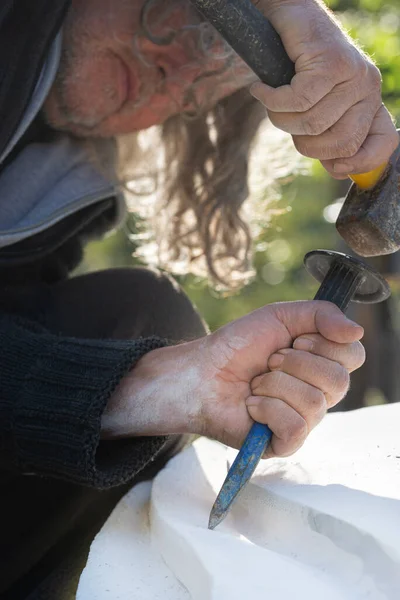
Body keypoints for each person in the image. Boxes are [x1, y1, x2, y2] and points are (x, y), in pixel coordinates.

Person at [0, 0, 397, 598]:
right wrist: (290, 9)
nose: (170, 73)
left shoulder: (59, 196)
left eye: (193, 94)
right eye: (163, 13)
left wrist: (157, 385)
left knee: (141, 315)